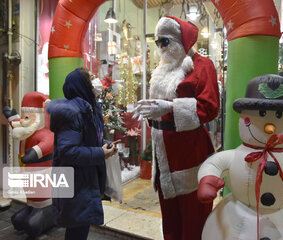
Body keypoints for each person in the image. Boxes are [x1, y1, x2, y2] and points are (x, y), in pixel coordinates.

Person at [133, 16, 220, 240]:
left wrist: (169, 108)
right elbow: (160, 110)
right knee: (170, 219)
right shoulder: (163, 69)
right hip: (163, 155)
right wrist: (149, 112)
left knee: (194, 220)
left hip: (190, 154)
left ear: (180, 41)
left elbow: (209, 108)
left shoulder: (202, 66)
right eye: (157, 42)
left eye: (165, 41)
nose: (161, 47)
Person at [46, 67, 117, 240]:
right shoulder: (73, 113)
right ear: (82, 85)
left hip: (84, 179)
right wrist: (100, 153)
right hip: (75, 182)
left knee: (80, 226)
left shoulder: (90, 108)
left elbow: (90, 139)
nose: (96, 81)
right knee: (77, 229)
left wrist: (105, 145)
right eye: (91, 78)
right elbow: (68, 151)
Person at [2, 91, 56, 237]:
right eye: (23, 114)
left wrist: (33, 154)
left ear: (39, 116)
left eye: (27, 115)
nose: (24, 119)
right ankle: (31, 207)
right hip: (28, 175)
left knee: (40, 198)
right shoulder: (27, 128)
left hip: (42, 176)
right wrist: (11, 116)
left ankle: (45, 211)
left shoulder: (45, 133)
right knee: (31, 197)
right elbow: (19, 126)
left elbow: (46, 144)